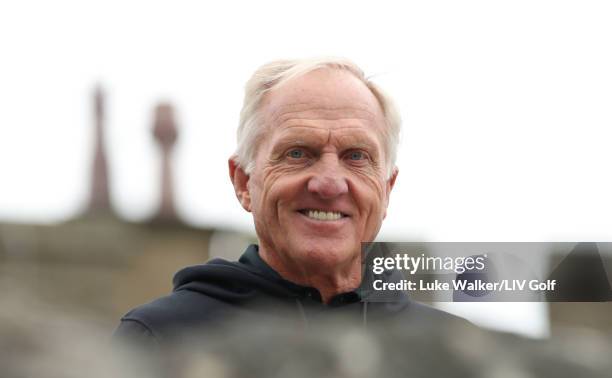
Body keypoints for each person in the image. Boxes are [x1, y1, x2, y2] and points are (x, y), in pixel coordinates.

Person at [113, 57, 464, 348]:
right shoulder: (158, 339)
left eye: (356, 156)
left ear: (387, 189)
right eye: (297, 153)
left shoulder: (453, 351)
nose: (328, 184)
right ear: (244, 182)